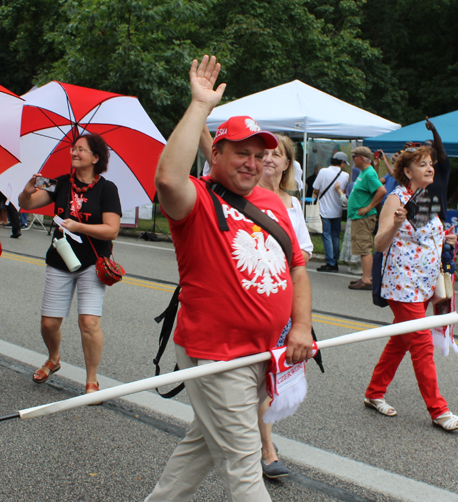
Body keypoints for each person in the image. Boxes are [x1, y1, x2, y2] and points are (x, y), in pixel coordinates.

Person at [146, 55, 313, 502]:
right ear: (215, 153)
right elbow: (166, 177)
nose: (252, 162)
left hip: (264, 350)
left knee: (201, 445)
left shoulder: (274, 203)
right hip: (216, 355)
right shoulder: (195, 201)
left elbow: (298, 267)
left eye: (260, 155)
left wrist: (299, 326)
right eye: (242, 152)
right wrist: (200, 105)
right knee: (244, 464)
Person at [364, 146, 458, 432]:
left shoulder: (428, 198)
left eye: (431, 164)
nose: (430, 168)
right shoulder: (396, 198)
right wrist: (395, 224)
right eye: (423, 165)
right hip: (402, 285)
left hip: (423, 283)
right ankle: (439, 410)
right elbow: (380, 245)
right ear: (408, 171)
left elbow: (426, 236)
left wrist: (445, 238)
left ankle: (374, 392)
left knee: (399, 341)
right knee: (420, 344)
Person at [18, 133, 121, 395]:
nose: (74, 153)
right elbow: (27, 204)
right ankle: (53, 359)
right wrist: (26, 192)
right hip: (59, 260)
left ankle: (92, 380)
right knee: (49, 324)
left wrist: (79, 226)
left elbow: (111, 230)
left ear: (95, 158)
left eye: (81, 150)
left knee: (88, 323)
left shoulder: (107, 189)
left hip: (91, 263)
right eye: (73, 149)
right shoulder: (60, 184)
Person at [258, 133, 313, 478]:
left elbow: (304, 252)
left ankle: (260, 440)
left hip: (286, 298)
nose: (269, 159)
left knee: (272, 376)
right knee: (257, 374)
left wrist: (289, 257)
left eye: (277, 154)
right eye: (263, 154)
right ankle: (266, 448)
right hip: (254, 296)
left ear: (288, 164)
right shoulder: (242, 197)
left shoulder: (292, 204)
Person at [347, 147, 386, 290]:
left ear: (361, 158)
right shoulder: (366, 172)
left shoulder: (368, 174)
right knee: (362, 247)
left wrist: (368, 207)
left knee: (364, 248)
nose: (352, 159)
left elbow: (381, 191)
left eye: (354, 156)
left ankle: (367, 279)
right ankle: (365, 276)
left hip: (364, 217)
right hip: (359, 216)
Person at [313, 152, 350, 272]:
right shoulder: (345, 175)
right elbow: (343, 191)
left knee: (326, 235)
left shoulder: (323, 172)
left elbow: (316, 189)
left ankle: (330, 262)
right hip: (337, 210)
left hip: (324, 209)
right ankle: (335, 260)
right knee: (335, 236)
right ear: (342, 162)